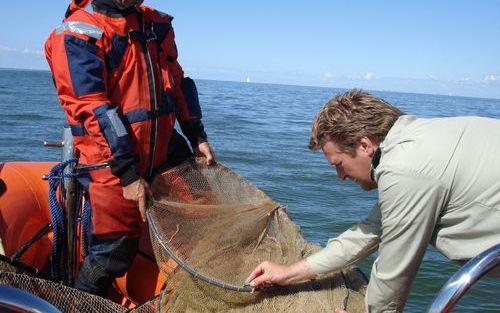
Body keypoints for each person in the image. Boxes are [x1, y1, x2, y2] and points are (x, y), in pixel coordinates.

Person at [246, 89, 500, 312]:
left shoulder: (405, 169)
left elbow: (393, 273)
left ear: (365, 145)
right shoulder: (417, 141)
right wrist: (288, 273)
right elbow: (369, 231)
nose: (341, 177)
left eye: (339, 165)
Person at [45, 0, 215, 296]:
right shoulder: (78, 33)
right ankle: (77, 301)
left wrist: (196, 135)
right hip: (110, 159)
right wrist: (128, 175)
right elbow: (92, 108)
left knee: (203, 198)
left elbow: (175, 80)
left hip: (163, 146)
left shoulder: (154, 25)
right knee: (114, 253)